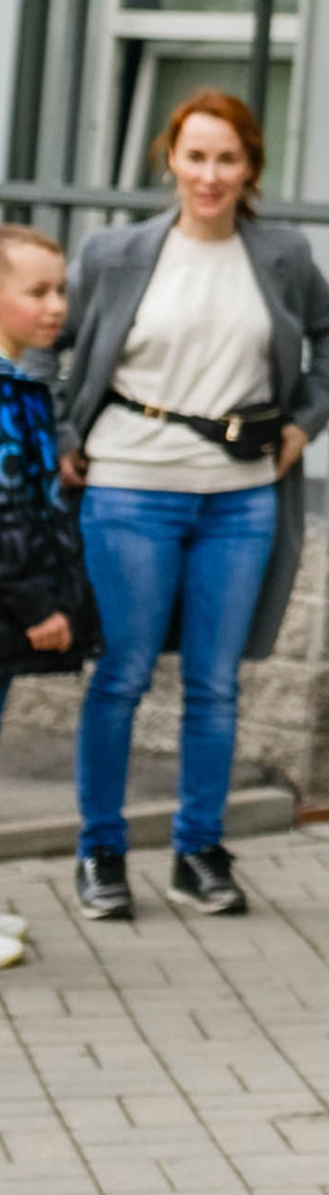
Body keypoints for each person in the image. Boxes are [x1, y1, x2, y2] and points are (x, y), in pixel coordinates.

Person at [57, 91, 329, 922]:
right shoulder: (115, 252)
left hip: (240, 498)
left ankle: (198, 851)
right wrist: (59, 433)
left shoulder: (283, 254)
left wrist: (305, 423)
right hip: (129, 487)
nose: (210, 175)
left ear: (251, 165)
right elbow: (50, 339)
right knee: (122, 675)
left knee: (215, 684)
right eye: (196, 156)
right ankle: (101, 852)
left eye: (228, 158)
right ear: (171, 158)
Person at [0, 224, 94, 966]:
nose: (56, 306)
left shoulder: (24, 385)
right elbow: (4, 511)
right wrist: (37, 605)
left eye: (61, 289)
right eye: (37, 291)